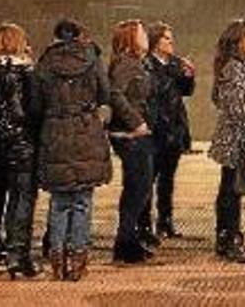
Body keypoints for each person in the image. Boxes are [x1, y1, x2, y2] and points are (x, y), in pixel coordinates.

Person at [32, 19, 112, 281]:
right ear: (79, 35)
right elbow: (104, 92)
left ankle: (56, 259)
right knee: (82, 202)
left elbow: (35, 102)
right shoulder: (92, 58)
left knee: (58, 203)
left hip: (54, 130)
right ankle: (78, 260)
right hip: (85, 128)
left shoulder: (45, 62)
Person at [209, 19, 245, 263]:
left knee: (232, 188)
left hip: (240, 132)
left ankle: (230, 237)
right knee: (232, 189)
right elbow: (234, 105)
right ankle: (229, 238)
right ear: (239, 41)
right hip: (234, 136)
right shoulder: (234, 67)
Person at [0, 23, 40, 279]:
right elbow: (33, 108)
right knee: (23, 198)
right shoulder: (26, 71)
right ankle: (18, 255)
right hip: (23, 141)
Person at [108, 20, 157, 263]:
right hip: (130, 135)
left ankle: (129, 240)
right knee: (137, 189)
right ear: (130, 38)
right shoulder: (126, 64)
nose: (146, 36)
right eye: (141, 33)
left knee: (139, 189)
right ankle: (125, 243)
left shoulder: (138, 63)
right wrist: (135, 121)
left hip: (140, 133)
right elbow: (115, 94)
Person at [140, 22, 195, 240]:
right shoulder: (147, 65)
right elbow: (153, 92)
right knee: (149, 179)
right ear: (155, 42)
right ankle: (144, 225)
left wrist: (189, 76)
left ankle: (165, 221)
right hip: (156, 130)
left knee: (168, 180)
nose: (171, 42)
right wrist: (171, 74)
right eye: (167, 39)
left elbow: (185, 92)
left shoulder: (174, 63)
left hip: (174, 127)